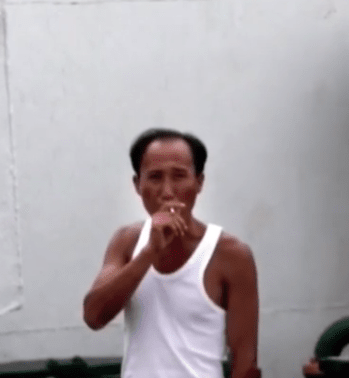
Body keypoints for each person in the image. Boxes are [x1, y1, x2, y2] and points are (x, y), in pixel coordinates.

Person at [82, 128, 260, 378]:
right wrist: (148, 253)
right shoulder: (127, 242)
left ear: (199, 182)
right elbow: (94, 316)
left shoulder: (230, 255)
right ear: (137, 184)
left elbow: (245, 360)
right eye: (154, 177)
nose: (167, 191)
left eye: (179, 176)